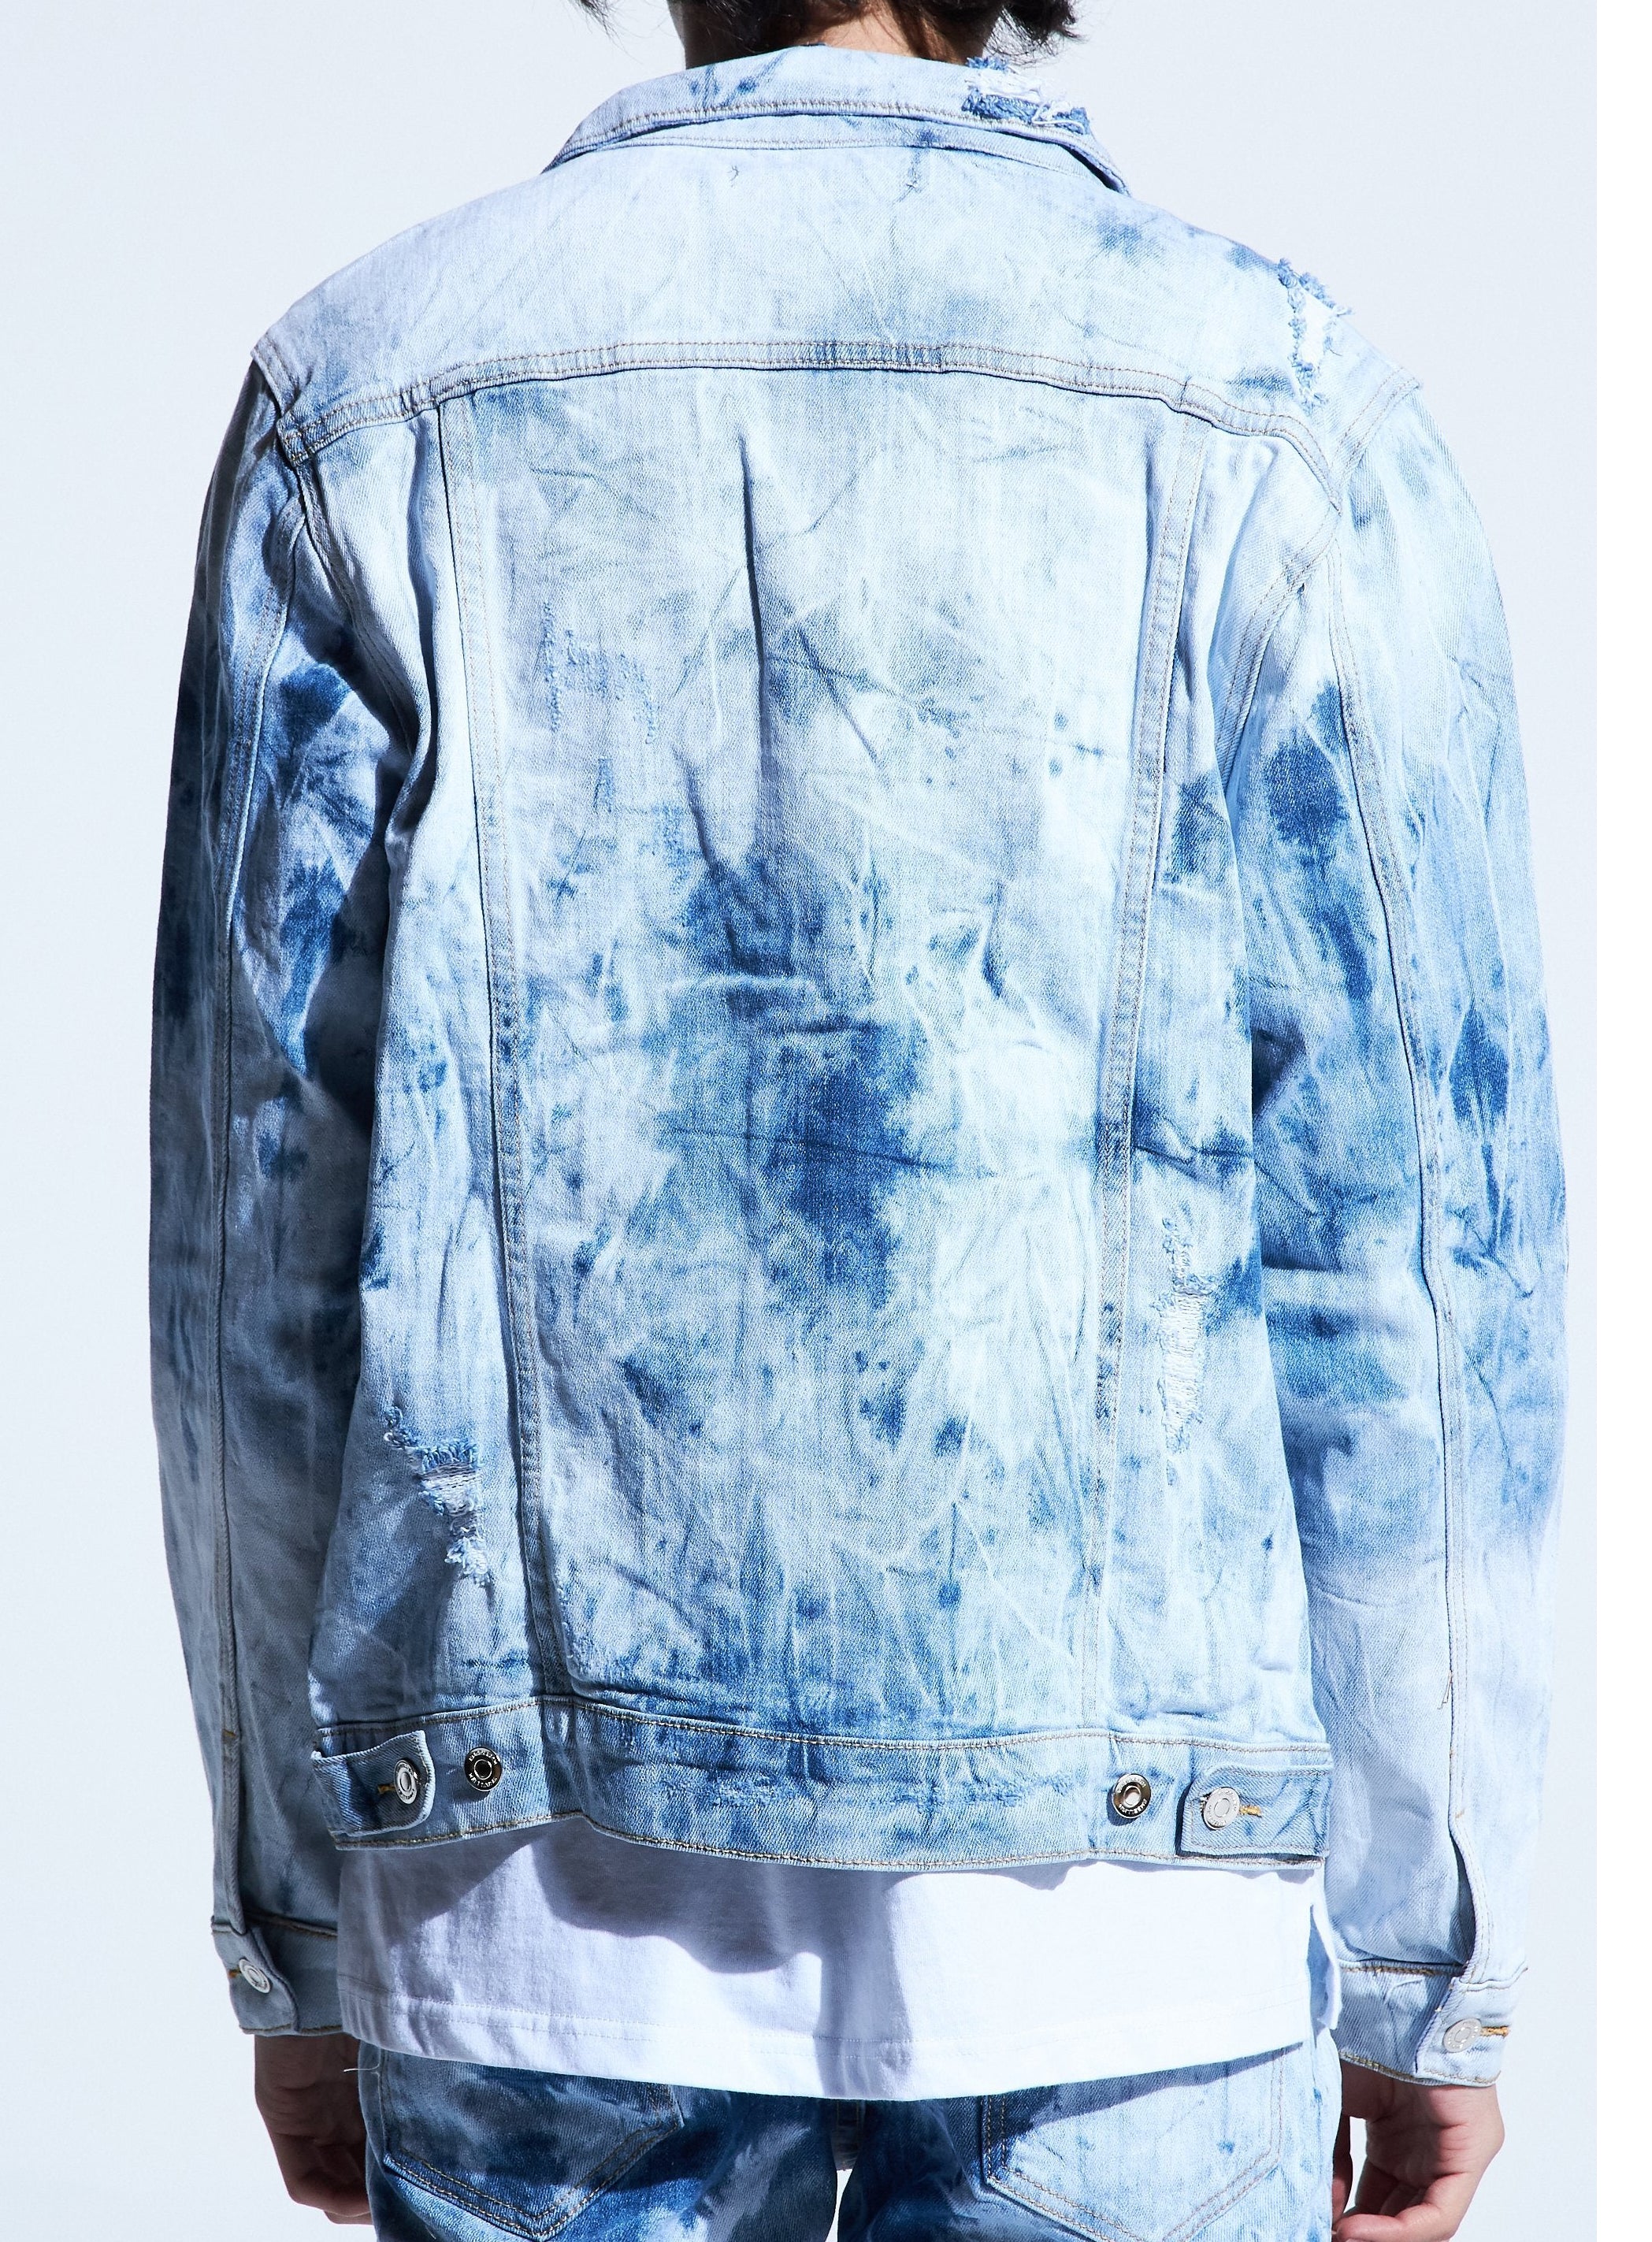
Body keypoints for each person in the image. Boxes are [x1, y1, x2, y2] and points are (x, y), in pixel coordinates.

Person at [150, 1, 1567, 2235]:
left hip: (530, 1920)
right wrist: (1425, 1955)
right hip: (1131, 1927)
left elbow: (252, 1251)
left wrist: (302, 1919)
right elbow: (1416, 1253)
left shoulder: (364, 393)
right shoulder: (1279, 403)